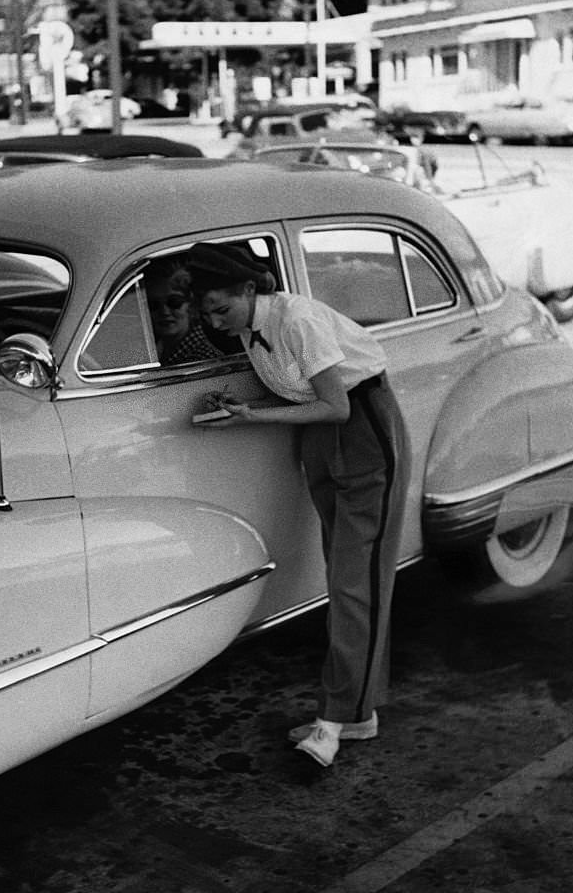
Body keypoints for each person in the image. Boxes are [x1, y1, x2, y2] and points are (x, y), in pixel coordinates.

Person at [186, 241, 408, 768]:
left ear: (249, 288)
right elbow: (301, 397)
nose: (216, 323)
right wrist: (244, 407)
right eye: (207, 313)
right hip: (320, 437)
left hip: (360, 432)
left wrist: (252, 418)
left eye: (223, 308)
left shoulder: (297, 320)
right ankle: (357, 713)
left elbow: (335, 405)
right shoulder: (248, 327)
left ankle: (334, 721)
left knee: (358, 583)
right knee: (343, 573)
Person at [144, 259, 220, 366]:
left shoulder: (203, 359)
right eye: (153, 304)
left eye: (174, 302)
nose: (164, 312)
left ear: (191, 305)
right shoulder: (156, 351)